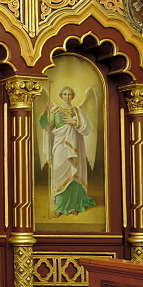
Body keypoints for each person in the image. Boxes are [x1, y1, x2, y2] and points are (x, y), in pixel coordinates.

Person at [39, 85, 96, 217]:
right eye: (65, 94)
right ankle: (60, 207)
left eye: (70, 94)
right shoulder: (56, 110)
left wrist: (74, 122)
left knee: (74, 172)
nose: (67, 97)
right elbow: (45, 125)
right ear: (61, 96)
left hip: (75, 147)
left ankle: (73, 206)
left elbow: (87, 128)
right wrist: (46, 112)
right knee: (59, 172)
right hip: (59, 146)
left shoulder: (77, 111)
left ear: (73, 96)